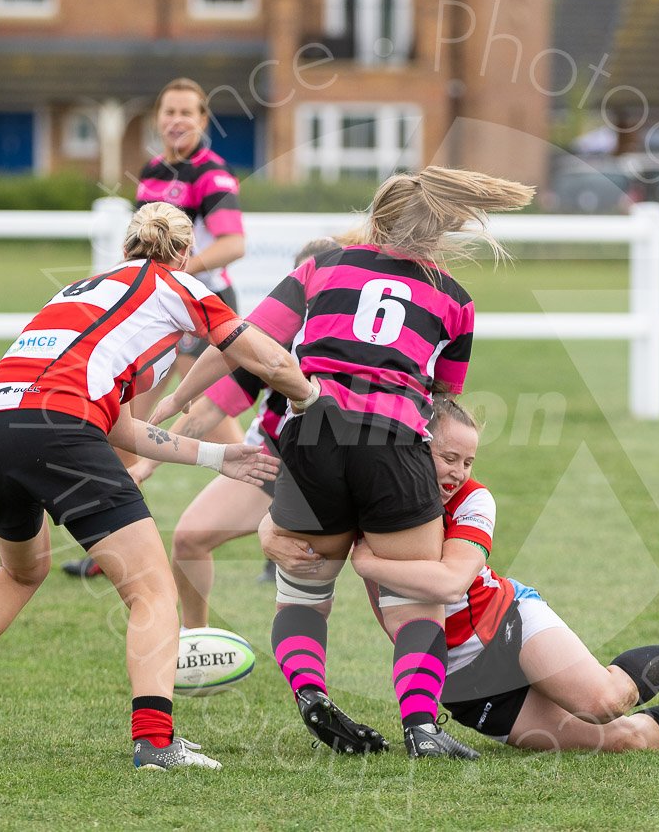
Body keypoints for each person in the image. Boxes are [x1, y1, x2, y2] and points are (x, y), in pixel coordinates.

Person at [0, 202, 316, 771]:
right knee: (152, 591)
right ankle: (154, 741)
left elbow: (119, 425)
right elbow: (266, 355)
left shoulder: (81, 289)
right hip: (60, 429)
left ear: (125, 248)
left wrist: (218, 456)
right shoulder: (178, 285)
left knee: (21, 570)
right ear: (184, 255)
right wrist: (311, 397)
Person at [161, 167, 535, 759]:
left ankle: (311, 693)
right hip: (394, 437)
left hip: (309, 433)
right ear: (440, 230)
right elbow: (439, 405)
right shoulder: (455, 300)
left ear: (378, 216)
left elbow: (244, 340)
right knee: (416, 601)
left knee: (304, 590)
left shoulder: (322, 266)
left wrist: (176, 401)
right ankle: (421, 727)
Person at [344, 399, 659, 753]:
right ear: (418, 450)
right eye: (448, 458)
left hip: (507, 622)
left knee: (605, 702)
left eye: (467, 461)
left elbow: (451, 583)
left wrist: (367, 564)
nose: (458, 473)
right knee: (624, 739)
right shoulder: (379, 504)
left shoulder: (474, 500)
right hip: (464, 680)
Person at [60, 238, 349, 587]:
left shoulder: (368, 345)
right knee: (188, 540)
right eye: (303, 283)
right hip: (281, 460)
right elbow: (210, 408)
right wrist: (146, 465)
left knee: (368, 563)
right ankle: (194, 639)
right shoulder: (276, 335)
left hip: (354, 464)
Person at [117, 77, 248, 463]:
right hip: (155, 306)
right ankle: (118, 510)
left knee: (211, 419)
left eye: (186, 113)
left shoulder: (211, 173)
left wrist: (179, 268)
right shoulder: (151, 170)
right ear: (158, 118)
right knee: (124, 426)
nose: (177, 120)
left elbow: (234, 244)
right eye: (169, 111)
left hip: (201, 306)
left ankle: (264, 491)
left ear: (203, 120)